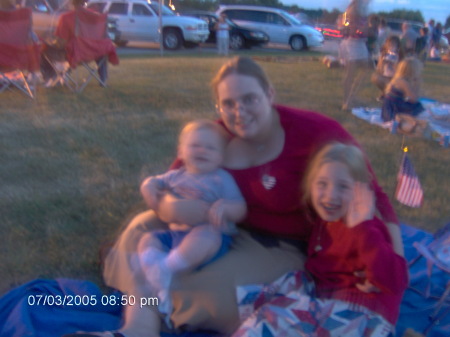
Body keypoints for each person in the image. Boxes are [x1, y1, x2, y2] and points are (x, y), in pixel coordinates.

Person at [65, 56, 403, 337]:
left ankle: (147, 298)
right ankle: (138, 328)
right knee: (139, 229)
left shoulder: (315, 132)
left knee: (207, 295)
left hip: (282, 246)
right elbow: (177, 182)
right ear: (219, 106)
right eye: (228, 103)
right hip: (219, 228)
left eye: (249, 99)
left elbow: (375, 196)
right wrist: (166, 204)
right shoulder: (217, 135)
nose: (239, 111)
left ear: (269, 94)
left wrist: (394, 273)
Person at [232, 142, 408, 336]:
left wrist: (364, 230)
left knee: (273, 319)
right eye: (322, 184)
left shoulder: (366, 228)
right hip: (326, 301)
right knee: (272, 298)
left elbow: (396, 281)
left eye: (343, 186)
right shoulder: (324, 221)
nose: (330, 195)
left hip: (362, 316)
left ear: (360, 190)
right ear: (311, 184)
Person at [136, 119, 246, 317]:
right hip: (175, 236)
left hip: (210, 239)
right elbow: (153, 182)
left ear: (221, 157)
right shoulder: (174, 176)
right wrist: (148, 186)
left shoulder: (221, 178)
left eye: (210, 148)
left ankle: (166, 268)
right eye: (195, 145)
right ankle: (154, 273)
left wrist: (226, 208)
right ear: (181, 152)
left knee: (208, 234)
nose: (202, 151)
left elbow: (240, 208)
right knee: (147, 239)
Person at [41, 0, 115, 87]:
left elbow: (61, 42)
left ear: (70, 3)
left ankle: (51, 78)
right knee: (100, 48)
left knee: (43, 50)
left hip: (75, 54)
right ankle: (103, 79)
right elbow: (103, 38)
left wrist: (51, 43)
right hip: (94, 53)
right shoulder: (96, 16)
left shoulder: (67, 17)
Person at [340, 0, 372, 110]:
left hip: (360, 43)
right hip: (353, 43)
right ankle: (347, 101)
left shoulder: (361, 8)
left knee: (363, 70)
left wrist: (367, 30)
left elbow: (364, 27)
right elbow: (352, 29)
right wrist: (362, 30)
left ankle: (351, 98)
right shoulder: (354, 9)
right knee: (351, 73)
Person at [381, 57, 425, 122]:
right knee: (417, 106)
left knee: (417, 106)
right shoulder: (402, 82)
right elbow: (413, 99)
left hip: (391, 105)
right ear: (412, 72)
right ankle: (401, 117)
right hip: (393, 108)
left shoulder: (398, 79)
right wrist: (417, 85)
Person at [371, 35, 404, 99]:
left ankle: (389, 94)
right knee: (375, 77)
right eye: (389, 44)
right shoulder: (384, 54)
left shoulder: (399, 55)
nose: (391, 46)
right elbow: (379, 68)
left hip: (396, 77)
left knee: (391, 83)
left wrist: (393, 64)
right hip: (386, 75)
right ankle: (386, 93)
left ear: (398, 45)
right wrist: (382, 63)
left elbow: (401, 70)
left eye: (393, 44)